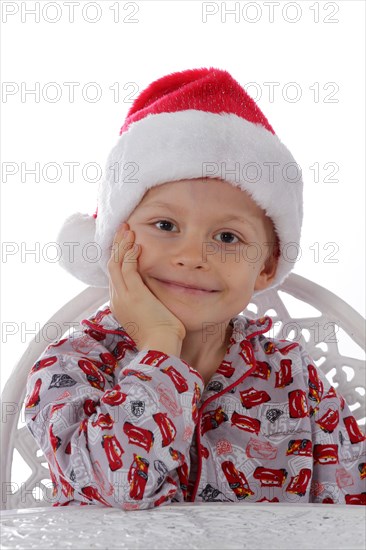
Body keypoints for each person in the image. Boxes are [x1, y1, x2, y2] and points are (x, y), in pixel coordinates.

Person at [24, 68, 366, 509]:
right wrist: (159, 344)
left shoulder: (296, 379)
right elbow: (116, 491)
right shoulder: (70, 366)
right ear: (114, 242)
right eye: (165, 225)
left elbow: (353, 508)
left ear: (266, 266)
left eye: (227, 237)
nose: (191, 255)